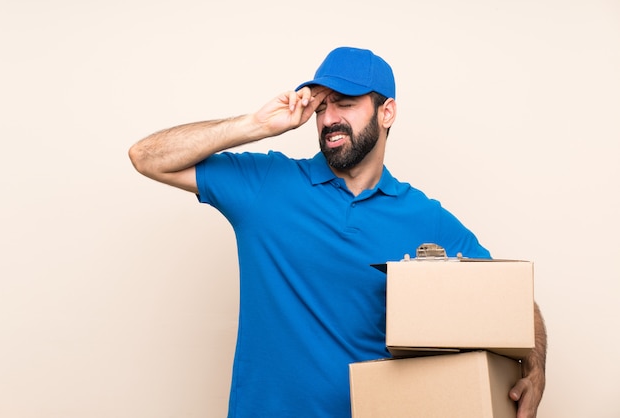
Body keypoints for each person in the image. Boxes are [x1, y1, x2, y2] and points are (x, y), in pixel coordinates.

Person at [129, 46, 547, 418]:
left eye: (345, 104)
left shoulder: (425, 218)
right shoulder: (266, 185)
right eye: (321, 106)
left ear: (387, 113)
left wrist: (536, 370)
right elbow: (147, 157)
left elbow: (509, 299)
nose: (328, 118)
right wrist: (254, 124)